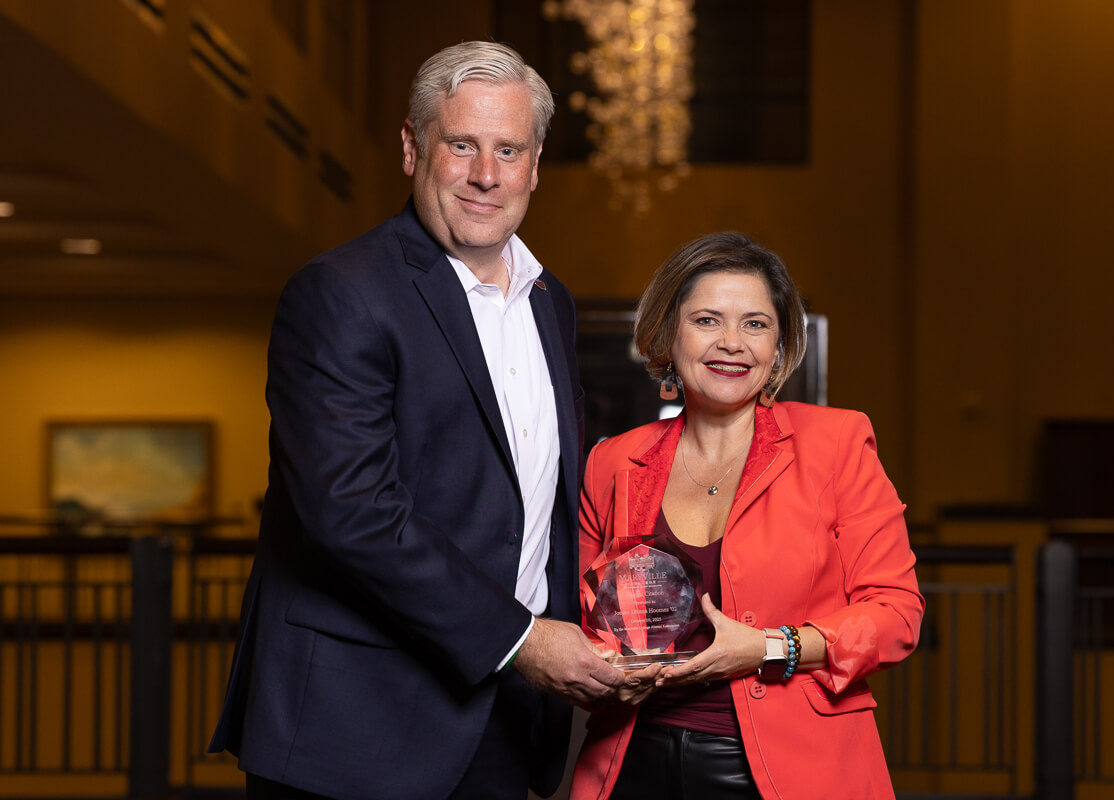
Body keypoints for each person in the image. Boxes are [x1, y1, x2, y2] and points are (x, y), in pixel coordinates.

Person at [208, 41, 626, 800]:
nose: (485, 175)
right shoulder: (340, 293)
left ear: (535, 163)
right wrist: (525, 639)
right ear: (412, 147)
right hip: (355, 728)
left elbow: (536, 502)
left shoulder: (549, 302)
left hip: (504, 718)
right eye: (461, 144)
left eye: (509, 149)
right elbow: (351, 512)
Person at [569, 232, 925, 799]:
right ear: (667, 334)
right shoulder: (613, 462)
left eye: (755, 324)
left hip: (797, 770)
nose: (732, 343)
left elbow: (897, 615)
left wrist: (768, 647)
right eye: (708, 320)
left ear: (780, 347)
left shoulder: (835, 444)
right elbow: (593, 631)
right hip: (634, 764)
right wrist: (613, 671)